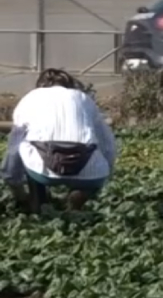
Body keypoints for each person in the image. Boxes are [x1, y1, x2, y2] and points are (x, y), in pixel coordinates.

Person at [1, 68, 116, 211]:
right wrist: (107, 170)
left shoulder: (31, 98)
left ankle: (38, 202)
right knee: (94, 159)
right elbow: (107, 142)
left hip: (41, 170)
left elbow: (14, 148)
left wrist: (15, 185)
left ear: (40, 85)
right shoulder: (84, 99)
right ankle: (78, 198)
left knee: (27, 144)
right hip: (88, 171)